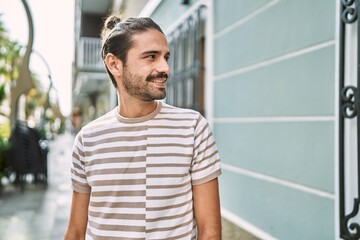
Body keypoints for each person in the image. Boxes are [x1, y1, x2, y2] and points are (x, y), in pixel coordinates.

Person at [64, 15, 222, 240]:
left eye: (166, 57)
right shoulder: (87, 139)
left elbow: (210, 231)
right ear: (114, 64)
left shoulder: (193, 129)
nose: (165, 67)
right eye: (151, 57)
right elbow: (76, 231)